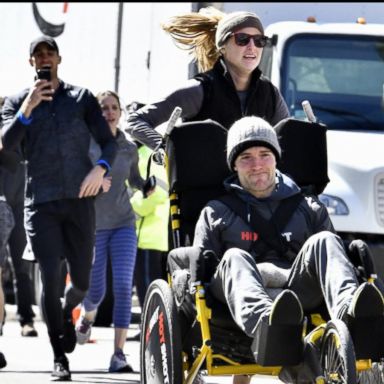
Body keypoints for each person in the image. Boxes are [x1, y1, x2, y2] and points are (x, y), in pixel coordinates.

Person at [168, 116, 384, 384]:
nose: (257, 164)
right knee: (235, 256)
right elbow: (201, 271)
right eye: (246, 157)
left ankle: (351, 315)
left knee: (327, 240)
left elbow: (330, 262)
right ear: (234, 165)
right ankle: (268, 326)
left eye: (264, 154)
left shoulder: (309, 206)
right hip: (237, 292)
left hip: (296, 291)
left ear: (276, 158)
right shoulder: (215, 211)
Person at [1, 36, 117, 381]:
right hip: (41, 203)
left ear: (59, 59)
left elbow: (109, 143)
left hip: (80, 199)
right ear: (31, 63)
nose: (44, 59)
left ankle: (69, 310)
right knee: (50, 278)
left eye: (49, 54)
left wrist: (102, 169)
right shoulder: (18, 102)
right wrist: (28, 108)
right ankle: (58, 358)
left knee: (80, 281)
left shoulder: (80, 98)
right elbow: (6, 143)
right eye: (38, 55)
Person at [126, 7, 289, 153]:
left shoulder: (270, 93)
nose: (252, 46)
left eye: (259, 40)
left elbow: (289, 139)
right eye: (242, 39)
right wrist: (165, 151)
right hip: (202, 186)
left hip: (254, 187)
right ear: (222, 46)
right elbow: (135, 121)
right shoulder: (199, 90)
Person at [75, 90, 145, 372]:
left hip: (124, 224)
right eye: (103, 108)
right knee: (97, 291)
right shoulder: (86, 145)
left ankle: (118, 355)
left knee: (123, 287)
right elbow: (72, 184)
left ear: (120, 112)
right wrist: (93, 186)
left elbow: (135, 179)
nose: (109, 112)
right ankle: (87, 315)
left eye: (114, 107)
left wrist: (146, 185)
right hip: (93, 227)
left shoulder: (128, 147)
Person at [131, 141, 170, 308]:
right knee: (147, 287)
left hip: (149, 235)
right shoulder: (142, 153)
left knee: (148, 288)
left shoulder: (149, 156)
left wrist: (132, 209)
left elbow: (159, 192)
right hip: (146, 234)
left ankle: (149, 333)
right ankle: (148, 331)